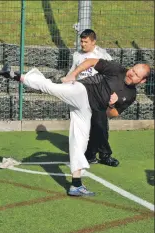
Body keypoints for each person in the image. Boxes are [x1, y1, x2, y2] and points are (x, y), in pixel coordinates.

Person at [0, 60, 150, 197]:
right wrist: (73, 74)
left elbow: (113, 114)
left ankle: (76, 185)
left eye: (137, 74)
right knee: (51, 88)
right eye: (133, 70)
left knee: (80, 142)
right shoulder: (117, 69)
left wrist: (112, 104)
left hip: (87, 110)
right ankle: (16, 76)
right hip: (82, 90)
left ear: (142, 81)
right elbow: (91, 61)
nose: (131, 74)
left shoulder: (131, 95)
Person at [68, 29, 119, 166]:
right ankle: (89, 155)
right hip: (82, 95)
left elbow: (113, 73)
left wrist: (112, 92)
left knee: (100, 125)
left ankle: (105, 155)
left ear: (93, 42)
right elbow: (73, 73)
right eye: (81, 41)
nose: (82, 44)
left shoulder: (102, 55)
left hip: (99, 94)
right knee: (84, 127)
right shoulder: (77, 55)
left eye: (86, 42)